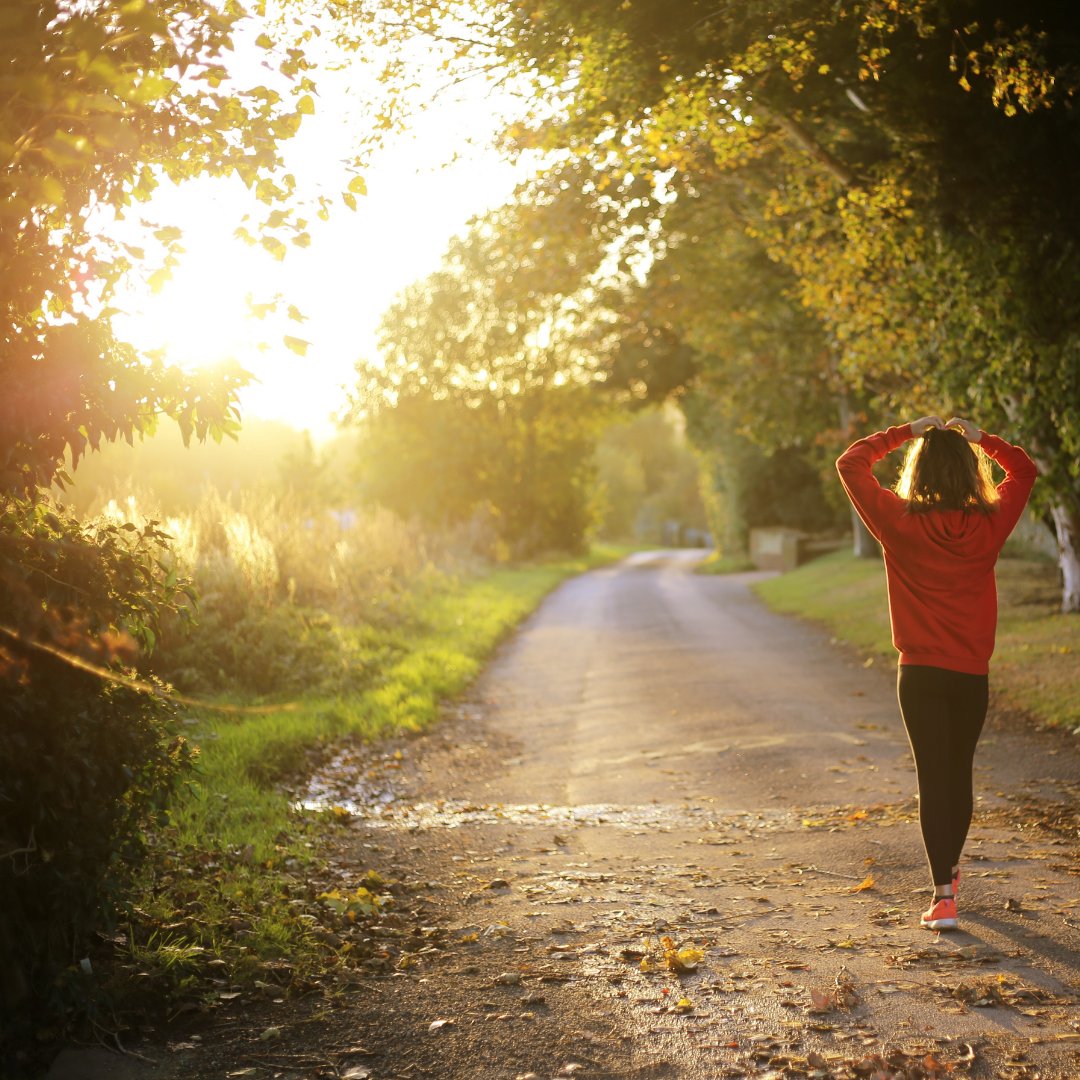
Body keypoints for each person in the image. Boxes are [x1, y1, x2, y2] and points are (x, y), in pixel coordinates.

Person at [836, 415, 1038, 931]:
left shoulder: (897, 520)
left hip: (920, 673)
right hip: (971, 673)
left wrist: (905, 431)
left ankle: (943, 895)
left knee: (933, 777)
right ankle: (948, 875)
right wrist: (982, 439)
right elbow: (1024, 469)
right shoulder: (990, 523)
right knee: (959, 772)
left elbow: (850, 463)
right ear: (971, 473)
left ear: (918, 471)